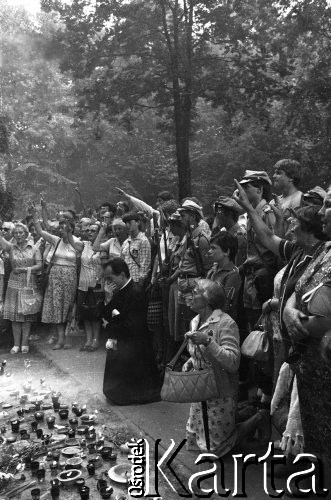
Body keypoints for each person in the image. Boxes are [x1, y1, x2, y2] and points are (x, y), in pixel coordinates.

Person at [282, 185, 331, 495]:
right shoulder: (326, 250)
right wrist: (289, 313)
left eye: (328, 206)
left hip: (325, 366)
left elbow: (325, 319)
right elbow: (296, 296)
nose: (322, 213)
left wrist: (301, 320)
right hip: (310, 367)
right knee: (318, 437)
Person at [183, 279, 240, 456]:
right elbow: (197, 353)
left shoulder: (226, 323)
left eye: (196, 292)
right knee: (195, 444)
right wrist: (191, 361)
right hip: (200, 390)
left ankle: (248, 426)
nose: (190, 296)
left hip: (219, 393)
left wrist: (208, 341)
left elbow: (233, 362)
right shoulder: (195, 321)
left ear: (208, 299)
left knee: (214, 451)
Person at [101, 258, 160, 405]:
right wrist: (108, 298)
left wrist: (110, 326)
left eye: (110, 278)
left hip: (135, 344)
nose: (108, 282)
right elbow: (106, 314)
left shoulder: (136, 292)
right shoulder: (120, 291)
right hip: (124, 337)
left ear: (121, 275)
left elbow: (133, 326)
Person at [33, 210, 84, 349]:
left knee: (68, 307)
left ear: (71, 228)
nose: (60, 230)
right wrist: (34, 215)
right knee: (57, 307)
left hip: (69, 277)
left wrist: (69, 235)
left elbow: (77, 248)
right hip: (55, 276)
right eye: (60, 228)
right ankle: (60, 339)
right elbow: (40, 231)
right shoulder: (56, 240)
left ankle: (68, 339)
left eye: (63, 227)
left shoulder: (78, 242)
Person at [1, 223, 42, 354]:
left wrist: (25, 269)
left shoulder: (34, 248)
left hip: (29, 283)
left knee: (27, 314)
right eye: (16, 233)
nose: (18, 235)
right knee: (15, 316)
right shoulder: (11, 248)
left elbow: (39, 266)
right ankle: (16, 344)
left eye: (21, 232)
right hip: (14, 283)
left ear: (26, 234)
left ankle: (24, 343)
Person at [77, 223, 103, 351]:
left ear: (99, 232)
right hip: (83, 284)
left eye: (93, 230)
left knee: (95, 314)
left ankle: (96, 340)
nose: (90, 233)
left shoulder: (102, 246)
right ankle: (88, 339)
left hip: (96, 284)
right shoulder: (84, 244)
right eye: (88, 230)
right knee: (85, 314)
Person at [207, 231, 242, 321]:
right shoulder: (212, 271)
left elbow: (225, 306)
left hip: (222, 323)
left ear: (227, 252)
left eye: (213, 248)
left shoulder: (232, 275)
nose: (209, 251)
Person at [212, 196, 246, 267]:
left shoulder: (239, 236)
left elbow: (237, 266)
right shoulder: (224, 233)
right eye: (216, 213)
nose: (217, 217)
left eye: (219, 212)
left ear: (229, 214)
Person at [272, 159, 303, 234]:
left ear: (291, 177)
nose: (274, 176)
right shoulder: (273, 201)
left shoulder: (299, 199)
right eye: (275, 173)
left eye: (278, 173)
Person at [121, 211, 151, 287]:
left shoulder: (143, 240)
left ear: (137, 222)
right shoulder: (126, 242)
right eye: (125, 223)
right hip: (126, 281)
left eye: (129, 222)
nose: (127, 225)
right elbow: (122, 261)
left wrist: (140, 282)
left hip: (137, 281)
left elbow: (145, 264)